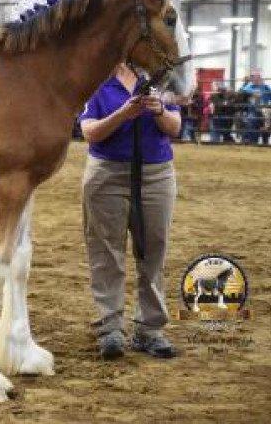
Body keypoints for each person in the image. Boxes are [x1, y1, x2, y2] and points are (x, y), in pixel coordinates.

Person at [79, 62, 181, 360]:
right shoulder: (96, 80)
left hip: (156, 174)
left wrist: (159, 110)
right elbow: (90, 132)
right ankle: (110, 327)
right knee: (105, 252)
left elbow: (175, 128)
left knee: (153, 251)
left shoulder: (162, 80)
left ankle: (150, 329)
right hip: (106, 173)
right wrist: (124, 113)